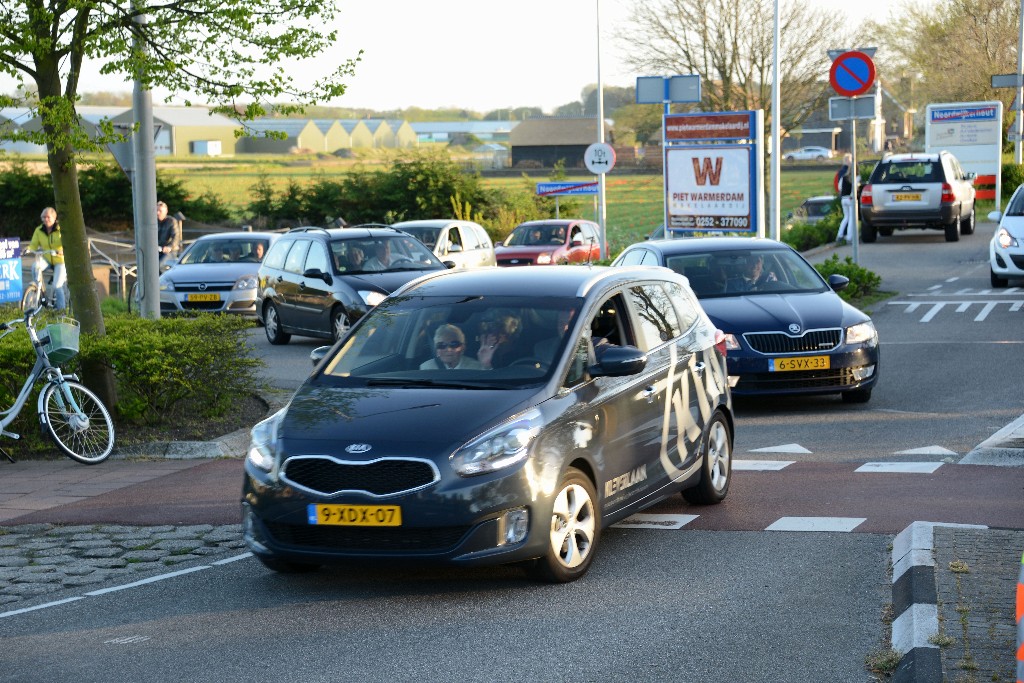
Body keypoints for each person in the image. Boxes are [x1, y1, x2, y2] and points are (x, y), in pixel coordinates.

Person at [28, 206, 67, 310]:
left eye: (48, 217)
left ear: (54, 218)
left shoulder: (60, 229)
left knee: (57, 285)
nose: (46, 219)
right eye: (44, 217)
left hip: (60, 260)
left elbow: (67, 243)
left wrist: (62, 250)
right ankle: (38, 288)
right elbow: (33, 245)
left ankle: (61, 310)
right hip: (47, 259)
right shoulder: (39, 230)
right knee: (35, 266)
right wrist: (28, 249)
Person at [835, 153, 855, 243]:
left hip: (843, 198)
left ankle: (839, 235)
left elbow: (839, 187)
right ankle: (849, 237)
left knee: (846, 217)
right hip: (850, 198)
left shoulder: (842, 175)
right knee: (851, 218)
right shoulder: (852, 176)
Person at [156, 201, 180, 266]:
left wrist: (169, 247)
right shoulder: (154, 222)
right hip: (157, 250)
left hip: (170, 251)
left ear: (166, 211)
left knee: (160, 265)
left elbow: (176, 236)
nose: (158, 213)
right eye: (157, 210)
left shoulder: (172, 221)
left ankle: (165, 276)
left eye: (160, 211)